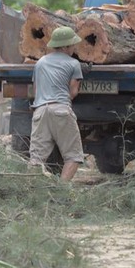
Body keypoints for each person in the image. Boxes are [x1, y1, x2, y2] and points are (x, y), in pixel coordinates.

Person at [29, 26, 85, 182]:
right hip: (61, 109)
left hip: (40, 110)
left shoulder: (40, 63)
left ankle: (31, 190)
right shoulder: (74, 64)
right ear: (66, 46)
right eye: (73, 44)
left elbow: (36, 90)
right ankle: (61, 190)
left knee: (36, 159)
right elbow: (72, 92)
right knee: (73, 156)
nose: (75, 47)